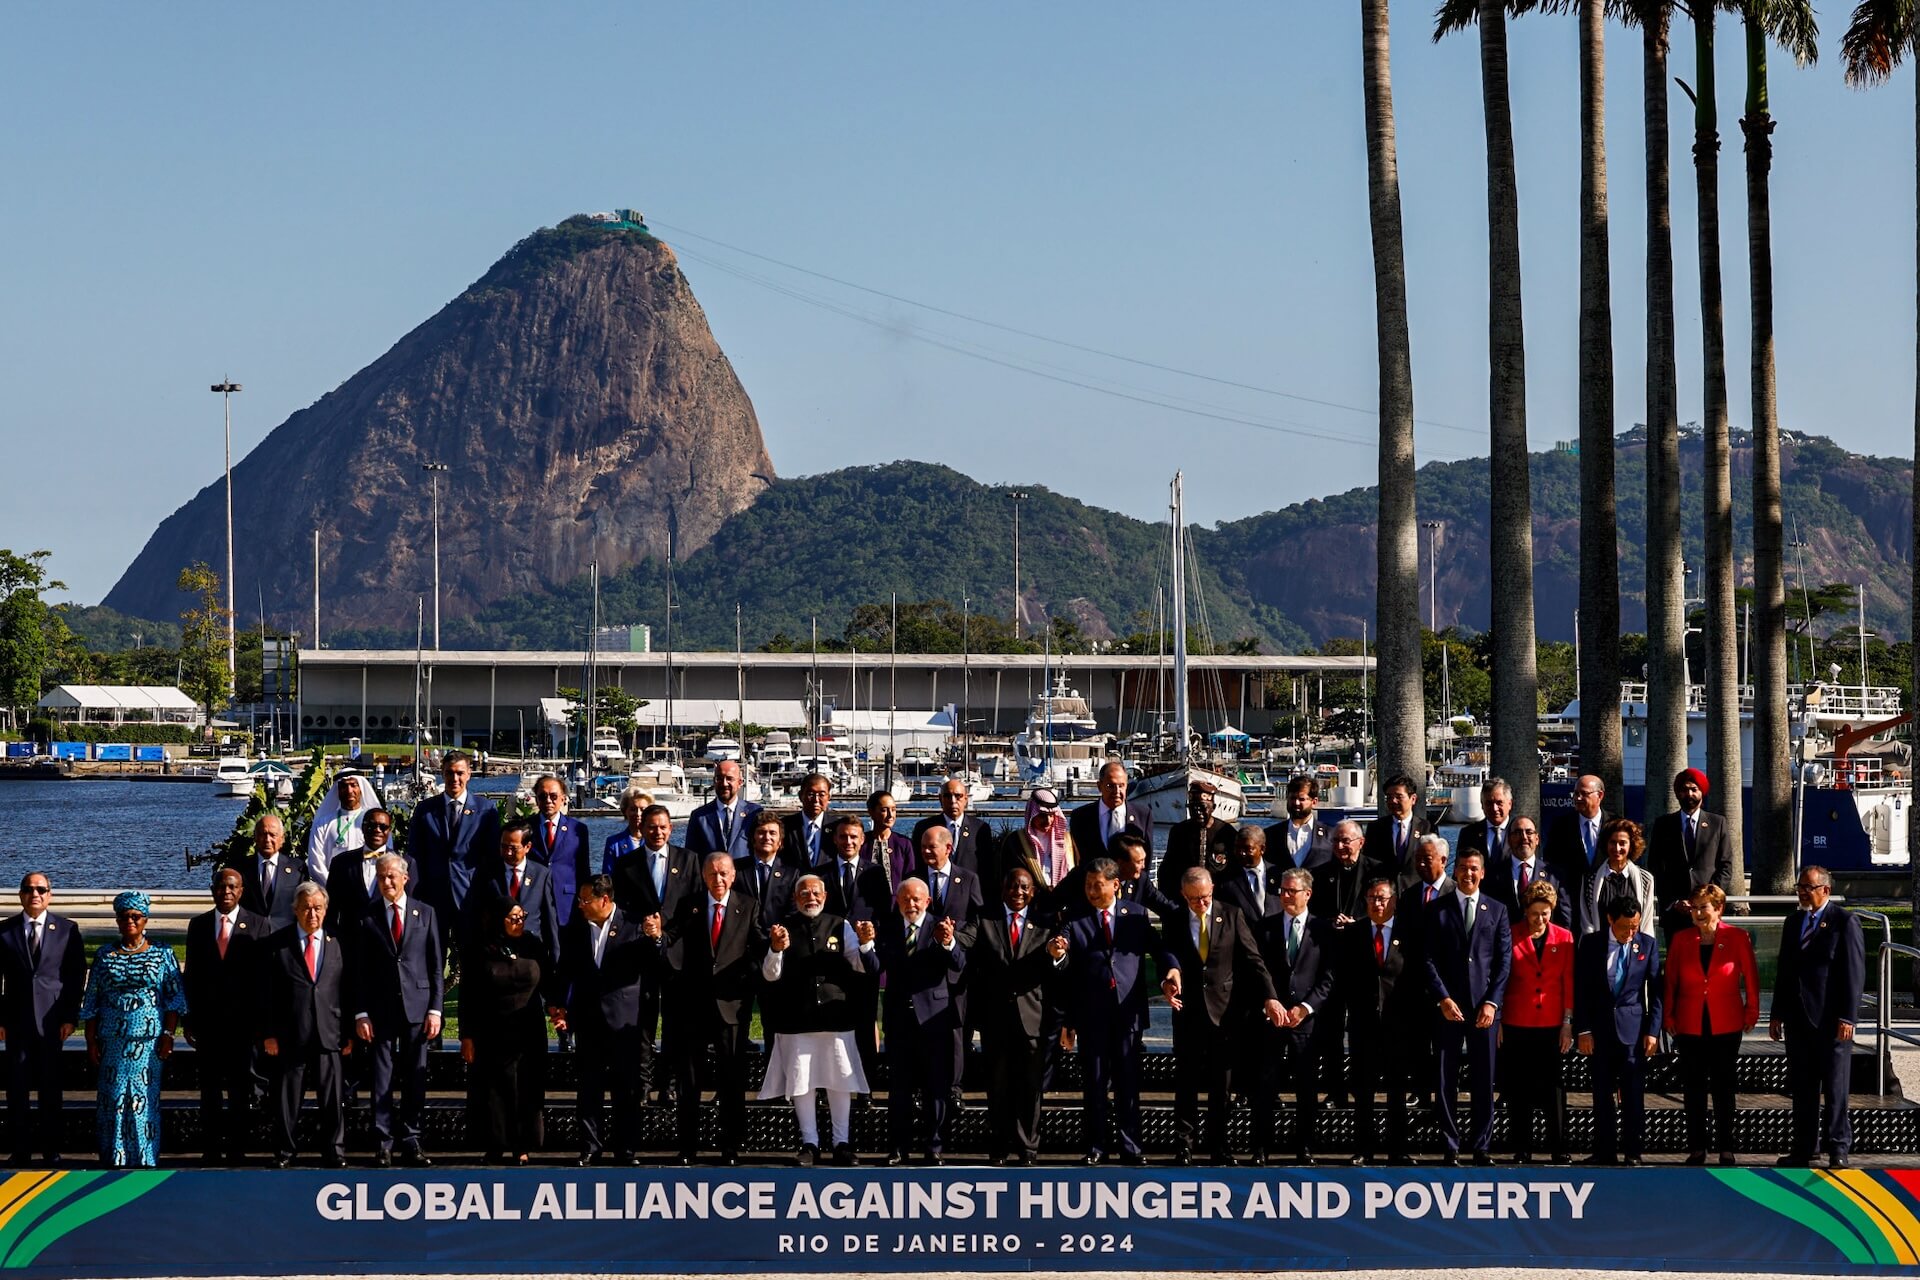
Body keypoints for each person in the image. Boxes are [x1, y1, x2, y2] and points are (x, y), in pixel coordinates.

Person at [644, 852, 766, 1165]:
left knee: (732, 1081)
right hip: (694, 1007)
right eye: (712, 874)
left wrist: (752, 970)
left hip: (731, 1007)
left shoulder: (748, 905)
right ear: (703, 875)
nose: (719, 879)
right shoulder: (690, 904)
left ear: (733, 875)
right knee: (690, 1081)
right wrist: (658, 935)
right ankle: (687, 1148)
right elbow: (672, 938)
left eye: (724, 873)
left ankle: (730, 1147)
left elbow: (758, 946)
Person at [1161, 868, 1282, 1165]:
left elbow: (1253, 959)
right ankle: (1184, 1147)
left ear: (1212, 888)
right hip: (1188, 1013)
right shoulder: (1175, 919)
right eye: (1193, 899)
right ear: (1183, 895)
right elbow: (1169, 956)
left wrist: (1270, 996)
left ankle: (1219, 1146)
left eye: (1204, 897)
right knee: (1186, 1085)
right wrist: (1168, 979)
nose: (1200, 904)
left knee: (1221, 1087)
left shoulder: (1230, 914)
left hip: (1225, 1014)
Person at [759, 874, 873, 1166]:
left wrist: (864, 944)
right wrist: (775, 948)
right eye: (804, 893)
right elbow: (771, 974)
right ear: (796, 898)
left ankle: (841, 1142)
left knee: (840, 1080)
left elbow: (860, 965)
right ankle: (809, 1143)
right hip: (797, 1020)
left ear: (825, 896)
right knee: (802, 1082)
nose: (811, 897)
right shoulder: (784, 928)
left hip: (836, 1019)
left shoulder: (841, 925)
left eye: (816, 892)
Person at [1050, 857, 1155, 1166]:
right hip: (1092, 1014)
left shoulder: (1135, 915)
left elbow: (1159, 949)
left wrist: (1171, 972)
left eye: (1098, 886)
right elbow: (1062, 945)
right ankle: (1096, 1147)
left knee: (1128, 1084)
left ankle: (1131, 1147)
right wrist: (1057, 951)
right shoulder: (1076, 915)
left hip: (1128, 1013)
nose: (1092, 891)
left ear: (1115, 885)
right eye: (1088, 886)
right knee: (1095, 1085)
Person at [549, 875, 654, 1166]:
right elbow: (564, 970)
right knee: (588, 1089)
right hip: (588, 1021)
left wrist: (656, 938)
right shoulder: (575, 930)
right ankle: (590, 1147)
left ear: (604, 900)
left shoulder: (634, 924)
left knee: (627, 1090)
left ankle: (626, 1149)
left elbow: (654, 964)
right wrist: (558, 1004)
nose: (580, 906)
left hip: (624, 1022)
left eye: (585, 900)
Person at [77, 891, 186, 1168]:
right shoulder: (104, 955)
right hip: (112, 1043)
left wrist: (169, 1036)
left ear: (145, 919)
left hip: (148, 1045)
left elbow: (174, 998)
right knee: (113, 1102)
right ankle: (114, 1159)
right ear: (117, 919)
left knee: (144, 1103)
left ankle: (145, 1160)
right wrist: (91, 1041)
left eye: (135, 916)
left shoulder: (162, 953)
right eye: (124, 916)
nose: (130, 921)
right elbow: (92, 999)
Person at [350, 854, 444, 1167]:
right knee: (381, 1078)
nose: (387, 883)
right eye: (381, 878)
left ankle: (412, 1140)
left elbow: (434, 967)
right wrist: (361, 1012)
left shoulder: (426, 913)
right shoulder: (368, 916)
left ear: (405, 878)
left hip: (418, 1010)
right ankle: (383, 1142)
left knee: (415, 1079)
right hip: (380, 1011)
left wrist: (436, 1010)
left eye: (392, 877)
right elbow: (359, 970)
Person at [1772, 865, 1867, 1169]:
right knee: (1802, 1087)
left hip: (1831, 1021)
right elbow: (1784, 970)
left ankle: (1838, 1147)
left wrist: (1848, 1017)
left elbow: (1854, 974)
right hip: (1799, 1020)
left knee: (1835, 1087)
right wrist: (1777, 1013)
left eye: (1807, 887)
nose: (1801, 892)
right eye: (1799, 886)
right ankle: (1805, 1148)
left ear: (1825, 890)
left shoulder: (1844, 921)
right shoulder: (1794, 922)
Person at [1421, 850, 1510, 1166]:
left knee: (1484, 1078)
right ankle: (1450, 1143)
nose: (1468, 874)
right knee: (1445, 1078)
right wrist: (1443, 998)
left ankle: (1481, 1145)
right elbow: (1427, 959)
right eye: (1462, 868)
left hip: (1484, 1010)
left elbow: (1503, 962)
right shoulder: (1436, 910)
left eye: (1474, 869)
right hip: (1448, 1008)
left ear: (1482, 873)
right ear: (1454, 871)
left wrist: (1492, 1002)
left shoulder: (1497, 910)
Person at [1665, 883, 1760, 1166]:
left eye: (1703, 907)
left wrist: (1751, 1011)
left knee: (1723, 1087)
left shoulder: (1737, 937)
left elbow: (1751, 980)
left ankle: (1726, 1147)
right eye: (1693, 908)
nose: (1697, 913)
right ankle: (1697, 1147)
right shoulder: (1682, 939)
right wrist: (1668, 1015)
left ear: (1718, 908)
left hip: (1726, 1023)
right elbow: (1670, 980)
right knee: (1693, 1088)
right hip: (1690, 1023)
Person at [872, 878, 965, 1165]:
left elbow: (959, 964)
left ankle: (933, 1146)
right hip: (900, 1019)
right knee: (899, 1087)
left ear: (926, 901)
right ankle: (898, 1148)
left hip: (933, 1020)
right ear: (897, 901)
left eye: (916, 900)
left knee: (935, 1086)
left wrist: (948, 942)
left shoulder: (941, 925)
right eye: (905, 899)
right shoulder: (887, 927)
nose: (911, 904)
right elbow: (876, 967)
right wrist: (866, 946)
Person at [966, 867, 1055, 1166]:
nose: (1018, 892)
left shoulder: (1046, 922)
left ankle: (1028, 1149)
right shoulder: (984, 918)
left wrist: (1059, 956)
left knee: (1030, 1089)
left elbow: (1058, 971)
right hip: (995, 1019)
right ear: (1002, 889)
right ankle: (999, 1148)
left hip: (1032, 1017)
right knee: (998, 1087)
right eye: (1012, 886)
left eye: (1024, 888)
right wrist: (949, 939)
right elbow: (966, 950)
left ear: (1033, 892)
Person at [262, 883, 353, 1168]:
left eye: (317, 908)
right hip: (291, 1034)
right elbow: (266, 993)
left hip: (330, 1033)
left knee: (333, 1098)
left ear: (325, 910)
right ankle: (286, 1152)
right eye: (306, 908)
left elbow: (348, 991)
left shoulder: (339, 942)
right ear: (295, 910)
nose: (312, 914)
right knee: (288, 1099)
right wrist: (269, 1033)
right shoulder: (278, 943)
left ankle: (334, 1151)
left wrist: (348, 1032)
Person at [1247, 867, 1333, 1165]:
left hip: (1305, 1023)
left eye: (1290, 891)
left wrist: (1306, 1007)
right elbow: (1256, 969)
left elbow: (1328, 977)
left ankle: (1305, 1147)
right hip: (1272, 1020)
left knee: (1307, 1089)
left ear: (1307, 894)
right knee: (1265, 1087)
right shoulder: (1265, 927)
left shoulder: (1322, 930)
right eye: (1282, 890)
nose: (1284, 896)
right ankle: (1261, 1147)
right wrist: (1269, 1001)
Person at [1, 872, 86, 1167]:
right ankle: (20, 1150)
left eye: (40, 889)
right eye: (28, 889)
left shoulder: (66, 929)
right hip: (16, 1023)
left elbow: (76, 977)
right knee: (17, 1090)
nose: (34, 894)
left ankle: (51, 1149)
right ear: (20, 895)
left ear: (50, 894)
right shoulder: (5, 931)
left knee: (51, 1090)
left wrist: (70, 1017)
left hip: (53, 1024)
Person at [184, 866, 268, 1164]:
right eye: (221, 886)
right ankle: (210, 1148)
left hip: (242, 1026)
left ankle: (236, 1149)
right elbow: (191, 975)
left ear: (242, 890)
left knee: (239, 1090)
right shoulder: (199, 925)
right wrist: (189, 1018)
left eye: (233, 887)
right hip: (208, 1024)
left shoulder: (258, 925)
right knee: (209, 1091)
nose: (227, 892)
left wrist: (261, 1023)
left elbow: (263, 980)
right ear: (213, 889)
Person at [1573, 897, 1663, 1165]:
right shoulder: (1590, 945)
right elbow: (1581, 990)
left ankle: (1633, 1153)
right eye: (1625, 927)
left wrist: (1653, 1031)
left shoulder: (1647, 944)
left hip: (1633, 1033)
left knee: (1634, 1095)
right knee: (1602, 1095)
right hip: (1600, 1032)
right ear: (1610, 920)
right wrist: (1583, 1030)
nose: (1631, 932)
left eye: (1635, 926)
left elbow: (1657, 993)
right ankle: (1604, 1152)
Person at [460, 896, 549, 1164]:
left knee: (526, 1088)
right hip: (491, 1031)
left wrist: (558, 1008)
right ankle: (495, 1145)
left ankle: (522, 1145)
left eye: (522, 917)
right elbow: (468, 994)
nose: (518, 922)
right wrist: (467, 1035)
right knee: (493, 1091)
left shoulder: (533, 945)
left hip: (528, 1030)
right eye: (513, 918)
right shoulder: (481, 948)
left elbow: (550, 982)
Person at [1340, 878, 1420, 1165]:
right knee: (1363, 1091)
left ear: (1394, 901)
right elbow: (1344, 978)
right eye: (1372, 898)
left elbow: (1415, 978)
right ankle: (1364, 1149)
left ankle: (1397, 1149)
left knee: (1397, 1091)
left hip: (1398, 1025)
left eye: (1383, 898)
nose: (1378, 903)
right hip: (1363, 1025)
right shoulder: (1354, 933)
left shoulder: (1409, 933)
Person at [1500, 880, 1574, 1164]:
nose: (1540, 919)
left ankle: (1558, 1147)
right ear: (1525, 911)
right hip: (1518, 1022)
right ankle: (1522, 1147)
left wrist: (1568, 1022)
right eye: (1535, 913)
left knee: (1554, 1086)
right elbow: (1503, 980)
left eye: (1545, 913)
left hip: (1552, 1024)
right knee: (1519, 1087)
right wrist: (1502, 1022)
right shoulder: (1510, 934)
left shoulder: (1565, 938)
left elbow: (1569, 981)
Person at [407, 751, 502, 948]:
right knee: (432, 960)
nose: (455, 779)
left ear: (469, 774)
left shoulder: (486, 810)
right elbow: (414, 856)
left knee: (472, 964)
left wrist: (488, 899)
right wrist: (414, 898)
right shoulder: (425, 810)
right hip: (433, 899)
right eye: (450, 773)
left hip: (470, 898)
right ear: (442, 773)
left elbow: (492, 858)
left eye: (460, 773)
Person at [1647, 768, 1735, 939]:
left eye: (1694, 789)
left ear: (1702, 792)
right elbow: (1655, 867)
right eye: (1685, 789)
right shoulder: (1663, 824)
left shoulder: (1718, 823)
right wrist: (1673, 902)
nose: (1689, 794)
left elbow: (1725, 866)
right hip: (1675, 913)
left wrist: (1707, 900)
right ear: (1678, 793)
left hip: (1707, 913)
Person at [475, 824, 560, 964]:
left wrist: (555, 956)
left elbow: (549, 920)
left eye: (513, 848)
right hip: (497, 954)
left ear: (527, 847)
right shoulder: (487, 873)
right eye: (504, 846)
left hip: (531, 953)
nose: (508, 853)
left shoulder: (542, 874)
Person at [324, 808, 415, 933]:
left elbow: (411, 906)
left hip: (388, 941)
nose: (377, 830)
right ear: (362, 827)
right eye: (372, 825)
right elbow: (331, 909)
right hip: (351, 942)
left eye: (383, 827)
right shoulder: (341, 863)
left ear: (389, 830)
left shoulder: (406, 863)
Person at [610, 804, 698, 923]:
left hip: (678, 934)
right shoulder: (626, 864)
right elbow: (620, 905)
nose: (658, 833)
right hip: (639, 935)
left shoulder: (688, 859)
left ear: (670, 828)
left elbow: (696, 898)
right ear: (641, 828)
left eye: (663, 827)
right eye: (652, 827)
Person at [999, 788, 1077, 919]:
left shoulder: (1067, 840)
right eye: (1042, 815)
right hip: (1030, 911)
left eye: (1052, 815)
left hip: (1065, 911)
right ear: (1032, 814)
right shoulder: (1015, 842)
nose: (1048, 820)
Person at [1156, 780, 1238, 900]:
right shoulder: (1179, 831)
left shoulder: (1226, 832)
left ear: (1213, 808)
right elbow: (1167, 870)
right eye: (1193, 807)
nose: (1198, 812)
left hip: (1219, 900)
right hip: (1185, 900)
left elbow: (1235, 870)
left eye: (1202, 807)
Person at [529, 774, 592, 929]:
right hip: (534, 901)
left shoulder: (578, 830)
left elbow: (583, 869)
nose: (548, 801)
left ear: (563, 798)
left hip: (567, 902)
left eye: (553, 796)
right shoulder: (526, 828)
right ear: (537, 799)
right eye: (543, 796)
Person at [1485, 817, 1570, 930]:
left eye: (1529, 832)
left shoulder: (1554, 875)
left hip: (1545, 945)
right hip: (1506, 943)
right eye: (1518, 833)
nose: (1524, 837)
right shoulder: (1493, 874)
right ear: (1509, 840)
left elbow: (1564, 919)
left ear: (1537, 839)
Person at [1578, 818, 1657, 936]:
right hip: (1600, 948)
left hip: (1633, 948)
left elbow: (1646, 923)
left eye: (1622, 843)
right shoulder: (1591, 879)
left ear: (1631, 845)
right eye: (1612, 842)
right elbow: (1587, 921)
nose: (1617, 848)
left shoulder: (1645, 879)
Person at [234, 813, 310, 933]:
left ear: (282, 838)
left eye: (272, 835)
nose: (267, 839)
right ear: (255, 837)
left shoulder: (297, 868)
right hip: (250, 937)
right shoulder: (240, 868)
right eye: (263, 834)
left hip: (285, 938)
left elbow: (303, 905)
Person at [912, 778, 997, 881]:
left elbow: (987, 869)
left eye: (958, 796)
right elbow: (917, 864)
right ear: (940, 799)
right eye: (947, 796)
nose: (953, 801)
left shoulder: (980, 829)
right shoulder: (924, 828)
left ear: (966, 799)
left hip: (967, 892)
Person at [1068, 760, 1152, 863]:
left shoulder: (1143, 815)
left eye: (1121, 786)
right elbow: (1077, 860)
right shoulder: (1080, 817)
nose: (1116, 791)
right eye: (1110, 786)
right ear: (1099, 786)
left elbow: (1146, 859)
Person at [307, 771, 381, 883]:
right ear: (337, 790)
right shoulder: (323, 824)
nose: (349, 791)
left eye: (353, 785)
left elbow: (384, 855)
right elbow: (315, 863)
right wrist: (335, 888)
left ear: (361, 788)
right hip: (332, 893)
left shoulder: (375, 822)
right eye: (344, 786)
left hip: (368, 891)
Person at [1545, 774, 1612, 891]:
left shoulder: (1615, 825)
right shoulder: (1560, 826)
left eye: (1584, 794)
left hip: (1607, 898)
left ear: (1600, 795)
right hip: (1571, 899)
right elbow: (1551, 863)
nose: (1578, 798)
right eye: (1576, 793)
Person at [1215, 824, 1288, 929]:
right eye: (1238, 848)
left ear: (1262, 849)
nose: (1242, 853)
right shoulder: (1225, 879)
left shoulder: (1280, 875)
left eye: (1248, 849)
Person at [1308, 820, 1378, 928]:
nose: (1339, 846)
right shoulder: (1320, 873)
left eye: (1346, 841)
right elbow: (1314, 910)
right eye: (1335, 841)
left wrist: (1356, 923)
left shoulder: (1376, 871)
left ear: (1361, 842)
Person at [735, 808, 797, 929]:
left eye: (772, 833)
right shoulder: (737, 869)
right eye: (761, 832)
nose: (767, 837)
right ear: (753, 839)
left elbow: (793, 911)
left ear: (780, 841)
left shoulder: (792, 874)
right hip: (743, 937)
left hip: (777, 939)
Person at [687, 759, 760, 862]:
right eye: (719, 778)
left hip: (744, 876)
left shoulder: (754, 813)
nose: (724, 783)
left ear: (740, 782)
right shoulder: (699, 816)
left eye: (729, 779)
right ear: (714, 781)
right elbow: (691, 858)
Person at [822, 814, 889, 924]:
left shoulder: (876, 873)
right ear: (835, 839)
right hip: (831, 937)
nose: (848, 842)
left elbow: (883, 910)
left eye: (853, 837)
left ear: (862, 839)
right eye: (843, 836)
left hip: (865, 936)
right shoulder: (820, 874)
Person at [915, 824, 984, 931]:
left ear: (948, 848)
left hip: (957, 944)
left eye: (932, 847)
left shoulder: (968, 879)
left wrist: (954, 939)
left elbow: (976, 919)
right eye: (923, 847)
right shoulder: (913, 879)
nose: (926, 851)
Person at [1361, 773, 1430, 878]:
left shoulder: (1426, 828)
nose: (1393, 801)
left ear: (1413, 799)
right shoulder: (1375, 828)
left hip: (1415, 890)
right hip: (1385, 890)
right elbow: (1368, 862)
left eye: (1398, 796)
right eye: (1389, 797)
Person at [1273, 775, 1335, 871]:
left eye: (1301, 799)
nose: (1296, 803)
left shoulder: (1330, 836)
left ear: (1314, 802)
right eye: (1292, 798)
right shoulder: (1272, 835)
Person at [863, 790, 916, 893]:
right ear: (871, 812)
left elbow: (910, 878)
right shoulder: (862, 843)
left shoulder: (904, 844)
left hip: (896, 906)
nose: (890, 815)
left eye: (893, 809)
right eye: (884, 810)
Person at [782, 774, 836, 870]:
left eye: (821, 795)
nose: (816, 800)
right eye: (810, 794)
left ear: (828, 797)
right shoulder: (785, 826)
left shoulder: (836, 827)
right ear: (800, 796)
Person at [1456, 777, 1515, 864]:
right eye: (1489, 803)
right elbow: (1459, 871)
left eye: (1499, 803)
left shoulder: (1520, 832)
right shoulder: (1468, 833)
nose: (1494, 808)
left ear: (1509, 804)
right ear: (1482, 805)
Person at [600, 787, 653, 875]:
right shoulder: (613, 843)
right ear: (625, 811)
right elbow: (607, 878)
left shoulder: (655, 841)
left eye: (643, 810)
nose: (638, 814)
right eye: (633, 809)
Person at [1398, 832, 1454, 903]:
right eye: (1418, 859)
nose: (1421, 864)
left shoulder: (1456, 892)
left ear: (1443, 861)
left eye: (1427, 859)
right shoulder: (1408, 895)